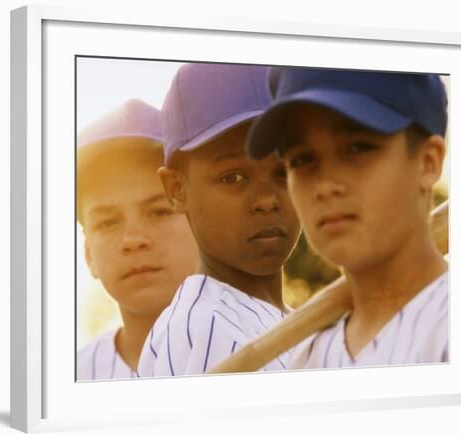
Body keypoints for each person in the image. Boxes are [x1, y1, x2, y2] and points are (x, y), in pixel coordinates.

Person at [248, 67, 449, 368]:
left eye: (357, 148)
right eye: (302, 159)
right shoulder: (304, 361)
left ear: (428, 161)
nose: (326, 186)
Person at [137, 63, 301, 377]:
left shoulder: (279, 321)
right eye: (233, 176)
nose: (267, 200)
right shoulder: (211, 330)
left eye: (284, 171)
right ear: (177, 190)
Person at [76, 99, 199, 380]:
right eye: (107, 222)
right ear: (89, 255)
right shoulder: (69, 378)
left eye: (159, 211)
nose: (133, 239)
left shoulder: (289, 355)